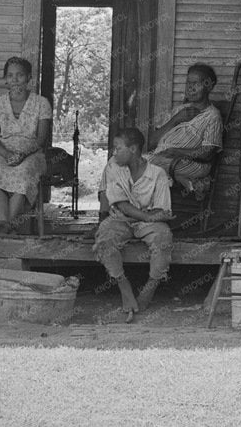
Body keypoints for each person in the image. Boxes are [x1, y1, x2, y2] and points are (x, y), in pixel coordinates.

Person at [93, 127, 172, 322]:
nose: (114, 152)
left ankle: (149, 289)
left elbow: (162, 210)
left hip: (149, 222)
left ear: (134, 149)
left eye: (118, 148)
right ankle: (123, 285)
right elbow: (121, 205)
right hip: (121, 218)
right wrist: (146, 217)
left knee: (163, 237)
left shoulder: (157, 174)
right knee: (104, 238)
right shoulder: (113, 167)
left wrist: (151, 218)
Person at [0, 56, 53, 229]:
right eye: (10, 76)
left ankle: (5, 225)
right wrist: (7, 154)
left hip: (31, 153)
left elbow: (41, 139)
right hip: (4, 151)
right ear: (6, 79)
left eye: (20, 75)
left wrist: (22, 155)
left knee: (23, 172)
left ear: (28, 78)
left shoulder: (41, 103)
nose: (15, 80)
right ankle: (6, 224)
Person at [145, 63, 224, 197]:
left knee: (141, 168)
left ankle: (140, 214)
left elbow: (207, 153)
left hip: (192, 164)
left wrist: (176, 151)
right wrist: (176, 119)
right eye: (188, 83)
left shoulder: (212, 116)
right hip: (163, 158)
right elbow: (151, 143)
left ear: (208, 86)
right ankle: (111, 212)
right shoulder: (179, 111)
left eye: (196, 83)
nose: (190, 88)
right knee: (116, 163)